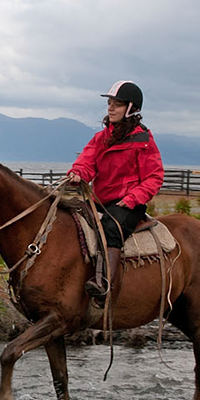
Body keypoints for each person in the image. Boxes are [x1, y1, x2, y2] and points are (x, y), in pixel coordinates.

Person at [66, 80, 164, 306]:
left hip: (129, 204)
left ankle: (105, 284)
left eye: (117, 104)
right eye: (110, 103)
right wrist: (78, 173)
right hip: (101, 200)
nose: (110, 108)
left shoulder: (144, 141)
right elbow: (86, 162)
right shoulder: (101, 138)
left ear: (131, 108)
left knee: (111, 229)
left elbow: (154, 177)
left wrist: (132, 199)